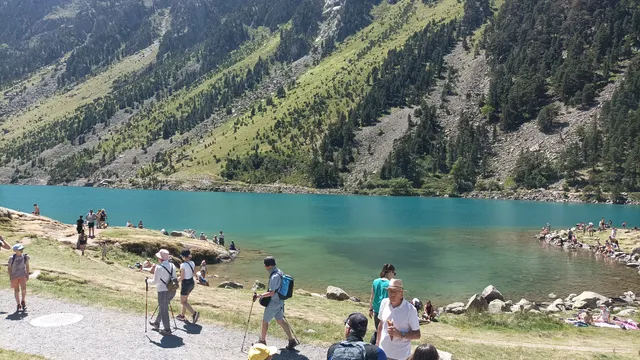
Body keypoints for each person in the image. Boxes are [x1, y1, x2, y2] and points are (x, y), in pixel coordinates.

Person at [254, 256, 297, 349]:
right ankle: (291, 340)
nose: (265, 267)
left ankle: (262, 341)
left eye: (265, 265)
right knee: (280, 320)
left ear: (268, 266)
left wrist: (259, 295)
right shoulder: (279, 272)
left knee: (265, 321)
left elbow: (271, 293)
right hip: (281, 301)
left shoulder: (274, 276)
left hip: (274, 302)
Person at [376, 279, 421, 360]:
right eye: (390, 291)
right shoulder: (384, 303)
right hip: (382, 351)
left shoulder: (410, 310)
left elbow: (417, 334)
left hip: (400, 355)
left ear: (401, 293)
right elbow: (381, 324)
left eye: (395, 291)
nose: (392, 294)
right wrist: (377, 344)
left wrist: (400, 334)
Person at [146, 249, 177, 336]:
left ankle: (167, 329)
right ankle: (156, 323)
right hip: (172, 290)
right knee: (163, 307)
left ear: (160, 259)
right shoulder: (172, 265)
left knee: (164, 310)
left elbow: (155, 282)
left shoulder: (159, 268)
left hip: (163, 291)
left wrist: (147, 281)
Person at [369, 264, 396, 344]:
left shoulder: (375, 281)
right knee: (384, 332)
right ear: (390, 272)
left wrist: (370, 309)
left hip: (376, 310)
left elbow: (372, 297)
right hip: (386, 311)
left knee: (378, 330)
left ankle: (372, 346)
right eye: (394, 273)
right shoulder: (390, 284)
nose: (393, 276)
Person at [177, 250, 200, 324]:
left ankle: (194, 313)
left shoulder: (183, 265)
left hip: (186, 284)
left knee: (183, 302)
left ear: (184, 257)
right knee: (185, 301)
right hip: (191, 283)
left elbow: (182, 277)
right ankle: (182, 315)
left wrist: (177, 280)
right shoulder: (192, 263)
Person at [8, 244, 30, 313]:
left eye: (22, 249)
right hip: (14, 276)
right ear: (16, 251)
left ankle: (23, 301)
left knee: (24, 289)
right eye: (20, 249)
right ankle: (18, 304)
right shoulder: (12, 258)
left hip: (22, 274)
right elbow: (9, 268)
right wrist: (10, 276)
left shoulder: (25, 256)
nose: (22, 250)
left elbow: (27, 265)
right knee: (16, 290)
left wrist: (27, 274)